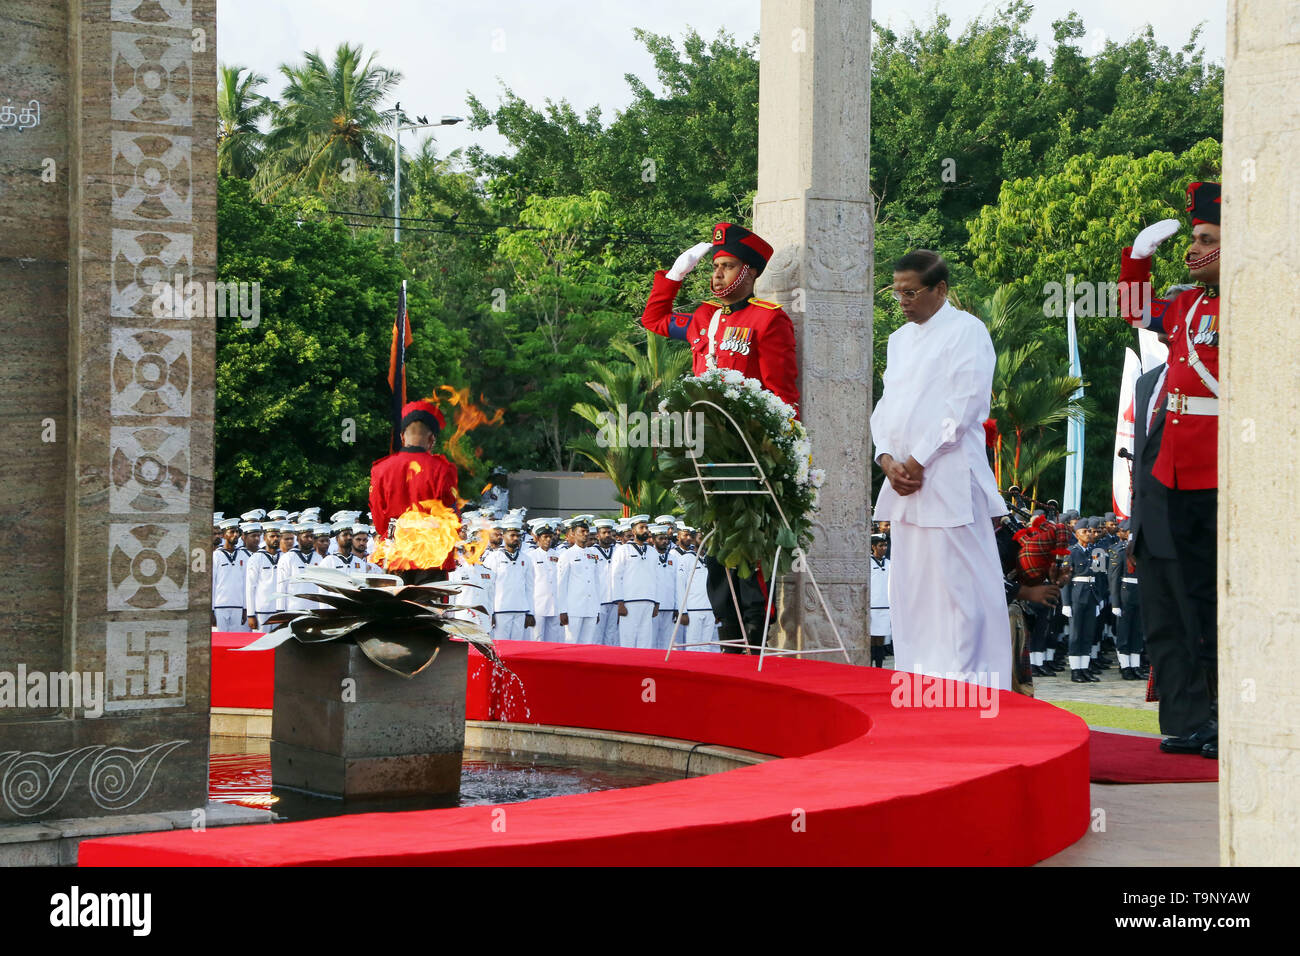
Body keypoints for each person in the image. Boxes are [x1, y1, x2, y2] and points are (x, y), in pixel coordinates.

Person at [870, 250, 1011, 690]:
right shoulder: (897, 340)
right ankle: (918, 679)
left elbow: (966, 405)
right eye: (897, 293)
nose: (903, 301)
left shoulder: (967, 331)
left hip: (948, 475)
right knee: (911, 588)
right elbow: (887, 407)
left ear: (940, 289)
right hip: (905, 482)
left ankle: (972, 685)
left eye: (911, 292)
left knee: (959, 588)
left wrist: (917, 459)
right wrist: (887, 458)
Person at [1119, 182, 1221, 758]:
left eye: (1208, 240)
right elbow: (1135, 309)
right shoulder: (1185, 303)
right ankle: (1185, 721)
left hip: (1216, 467)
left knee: (1209, 602)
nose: (1195, 249)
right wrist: (1138, 257)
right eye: (1195, 238)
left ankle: (1224, 717)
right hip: (1169, 471)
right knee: (1166, 600)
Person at [368, 399, 459, 585]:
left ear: (402, 436)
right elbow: (452, 515)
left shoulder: (381, 469)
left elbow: (378, 516)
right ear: (432, 439)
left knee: (397, 609)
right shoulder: (443, 469)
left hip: (397, 552)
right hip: (432, 554)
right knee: (429, 611)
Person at [611, 515, 660, 649]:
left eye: (646, 527)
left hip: (648, 600)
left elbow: (657, 578)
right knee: (628, 639)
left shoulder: (652, 551)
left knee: (645, 640)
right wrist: (619, 602)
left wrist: (656, 602)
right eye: (641, 528)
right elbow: (616, 576)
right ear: (633, 531)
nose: (645, 530)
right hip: (629, 601)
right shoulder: (623, 550)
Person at [486, 517, 533, 642]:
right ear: (504, 536)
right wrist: (490, 613)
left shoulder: (526, 559)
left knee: (517, 647)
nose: (516, 538)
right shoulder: (493, 557)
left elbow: (529, 587)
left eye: (518, 535)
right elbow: (489, 588)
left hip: (520, 609)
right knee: (501, 647)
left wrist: (530, 612)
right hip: (501, 610)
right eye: (512, 535)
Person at [557, 519, 600, 644]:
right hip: (574, 608)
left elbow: (596, 583)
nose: (586, 534)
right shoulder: (567, 555)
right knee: (571, 643)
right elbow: (561, 584)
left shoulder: (593, 555)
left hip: (591, 607)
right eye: (582, 531)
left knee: (588, 644)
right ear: (573, 533)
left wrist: (597, 609)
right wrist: (562, 610)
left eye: (587, 531)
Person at [527, 521, 562, 641]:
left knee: (553, 639)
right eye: (545, 537)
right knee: (537, 638)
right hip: (538, 604)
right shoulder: (530, 556)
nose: (548, 540)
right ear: (537, 538)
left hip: (554, 603)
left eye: (550, 537)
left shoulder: (558, 555)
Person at [212, 517, 248, 631]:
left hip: (238, 605)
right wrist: (211, 609)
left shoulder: (243, 555)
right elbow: (212, 583)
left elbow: (246, 583)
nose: (235, 534)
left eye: (237, 531)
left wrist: (245, 608)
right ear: (223, 535)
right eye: (232, 532)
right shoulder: (216, 555)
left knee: (235, 643)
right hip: (219, 606)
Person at [868, 534, 892, 667]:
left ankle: (879, 666)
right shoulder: (868, 562)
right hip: (872, 605)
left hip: (885, 605)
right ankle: (869, 666)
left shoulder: (889, 563)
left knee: (881, 638)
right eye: (880, 545)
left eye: (885, 545)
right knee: (872, 638)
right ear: (873, 547)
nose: (884, 548)